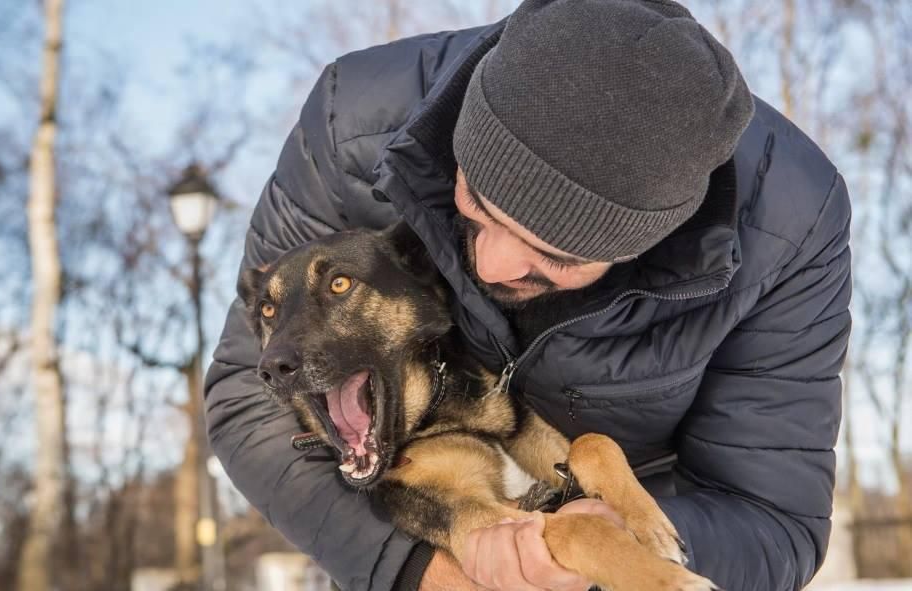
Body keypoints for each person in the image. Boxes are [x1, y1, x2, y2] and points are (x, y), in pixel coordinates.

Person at [205, 0, 852, 589]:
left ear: (646, 246)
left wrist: (603, 551)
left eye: (556, 253)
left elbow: (772, 516)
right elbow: (245, 395)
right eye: (477, 203)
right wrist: (421, 571)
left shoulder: (792, 228)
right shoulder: (352, 124)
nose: (490, 263)